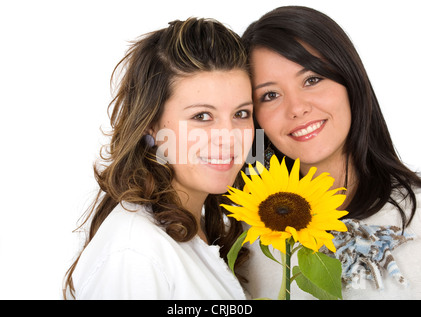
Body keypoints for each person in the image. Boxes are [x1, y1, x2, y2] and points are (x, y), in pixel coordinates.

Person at [62, 17, 254, 299]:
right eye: (201, 116)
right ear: (151, 124)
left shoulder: (199, 223)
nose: (229, 137)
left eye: (241, 114)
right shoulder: (135, 254)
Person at [240, 6, 421, 299]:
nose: (297, 107)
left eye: (312, 79)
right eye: (270, 95)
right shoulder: (246, 237)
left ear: (349, 81)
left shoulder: (415, 214)